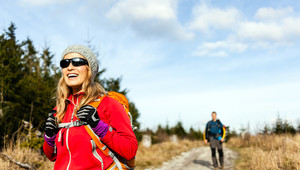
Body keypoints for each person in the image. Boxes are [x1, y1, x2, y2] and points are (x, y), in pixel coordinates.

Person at [43, 44, 138, 170]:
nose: (70, 67)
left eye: (77, 62)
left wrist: (99, 126)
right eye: (65, 63)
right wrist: (49, 137)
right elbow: (52, 156)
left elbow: (130, 150)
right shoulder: (59, 110)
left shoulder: (108, 104)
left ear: (89, 69)